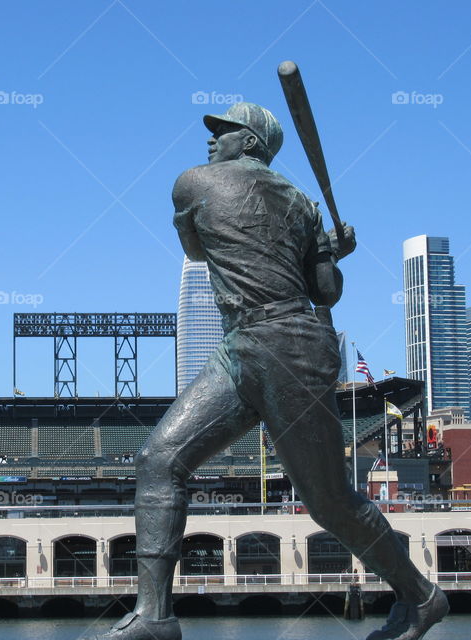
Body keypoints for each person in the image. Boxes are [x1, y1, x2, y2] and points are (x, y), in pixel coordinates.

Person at [81, 102, 447, 640]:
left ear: (251, 142)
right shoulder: (303, 204)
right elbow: (326, 290)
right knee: (158, 461)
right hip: (247, 343)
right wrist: (330, 250)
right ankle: (154, 617)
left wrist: (324, 251)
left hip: (286, 345)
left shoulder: (193, 182)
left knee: (328, 501)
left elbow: (198, 247)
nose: (212, 139)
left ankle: (421, 597)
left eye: (224, 131)